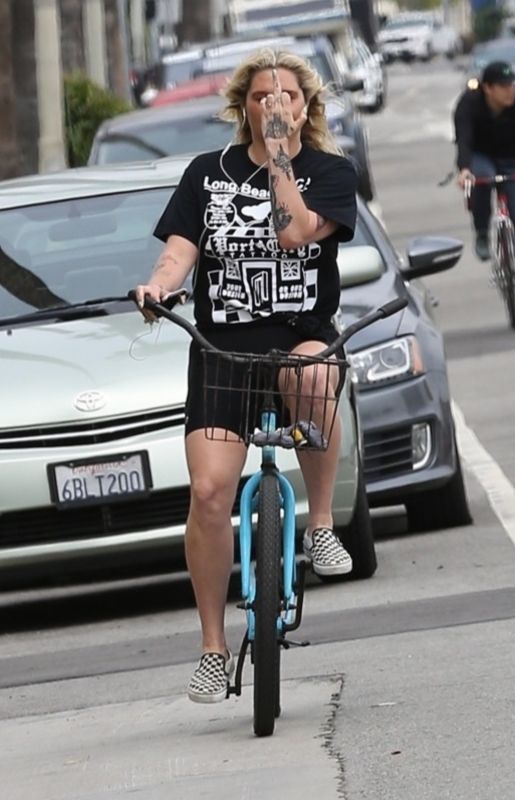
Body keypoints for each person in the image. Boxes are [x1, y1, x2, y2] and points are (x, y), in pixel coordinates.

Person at [134, 48, 359, 703]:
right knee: (208, 494)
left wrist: (284, 161)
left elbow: (295, 236)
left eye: (286, 94)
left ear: (305, 106)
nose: (274, 105)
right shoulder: (207, 174)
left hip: (299, 335)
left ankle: (319, 523)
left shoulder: (328, 171)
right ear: (244, 107)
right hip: (223, 348)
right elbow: (180, 252)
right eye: (261, 95)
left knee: (309, 376)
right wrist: (157, 287)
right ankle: (211, 646)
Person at [453, 60, 515, 312]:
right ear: (487, 88)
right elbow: (464, 139)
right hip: (482, 157)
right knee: (481, 179)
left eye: (511, 84)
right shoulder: (468, 104)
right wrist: (464, 169)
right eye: (502, 85)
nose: (509, 90)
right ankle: (480, 231)